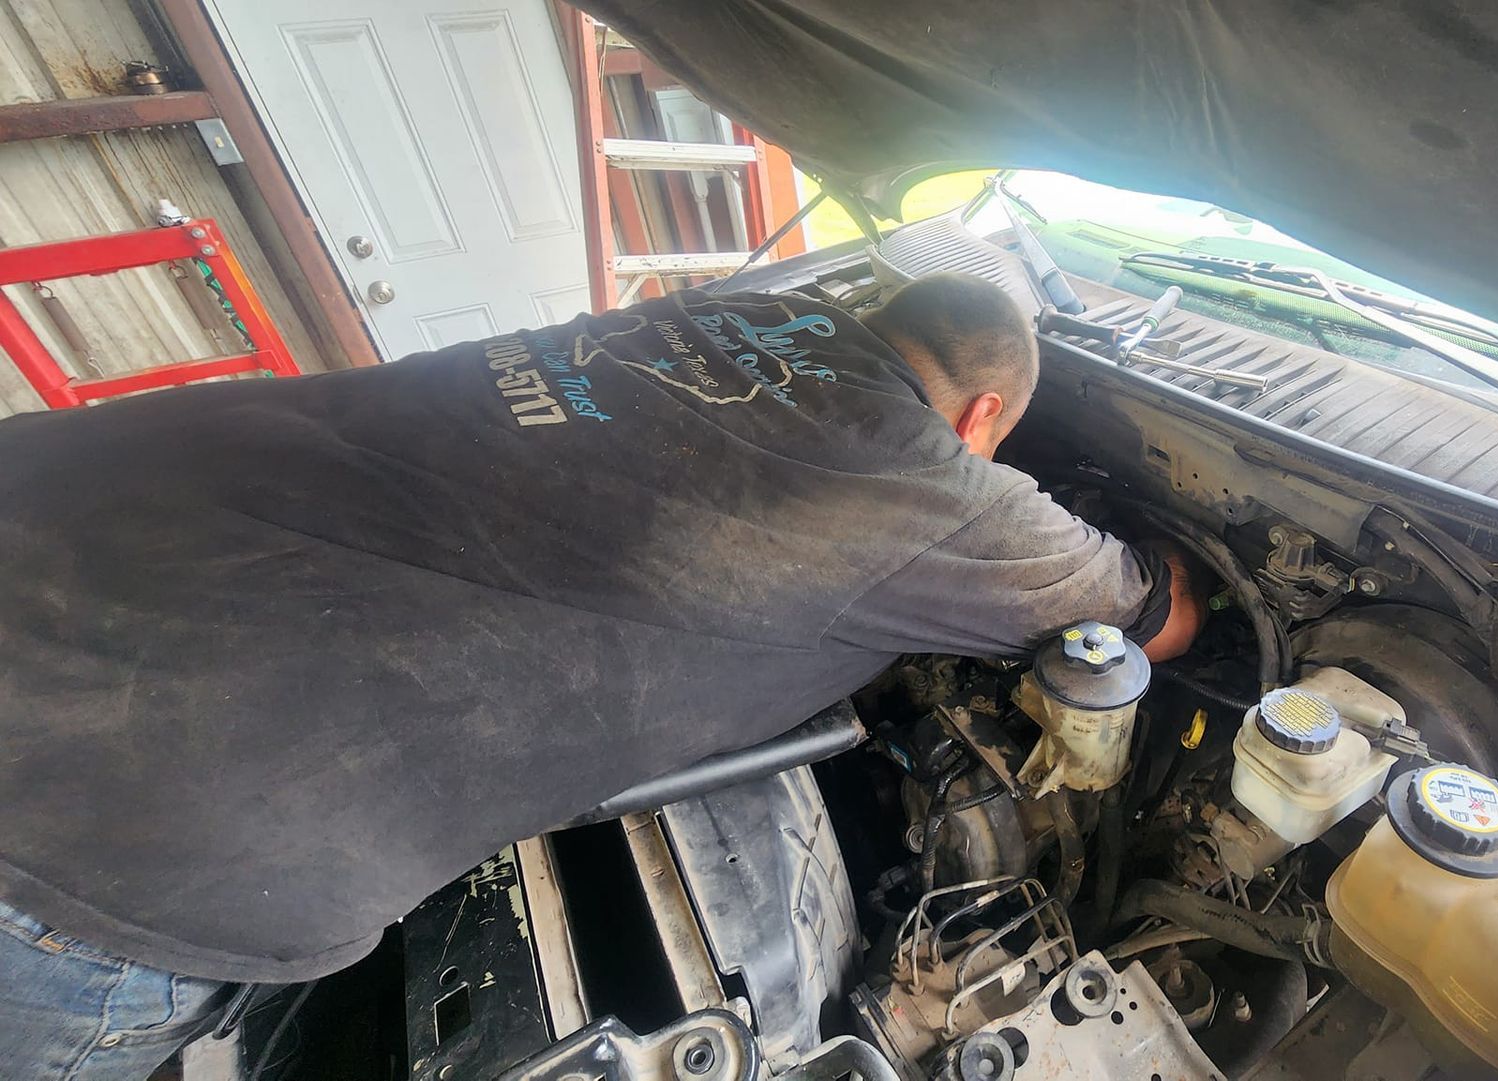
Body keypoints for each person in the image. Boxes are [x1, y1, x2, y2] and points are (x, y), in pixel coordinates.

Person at [0, 272, 1203, 1077]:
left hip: (56, 522)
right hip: (100, 824)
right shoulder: (941, 488)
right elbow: (1156, 617)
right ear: (985, 412)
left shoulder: (714, 311)